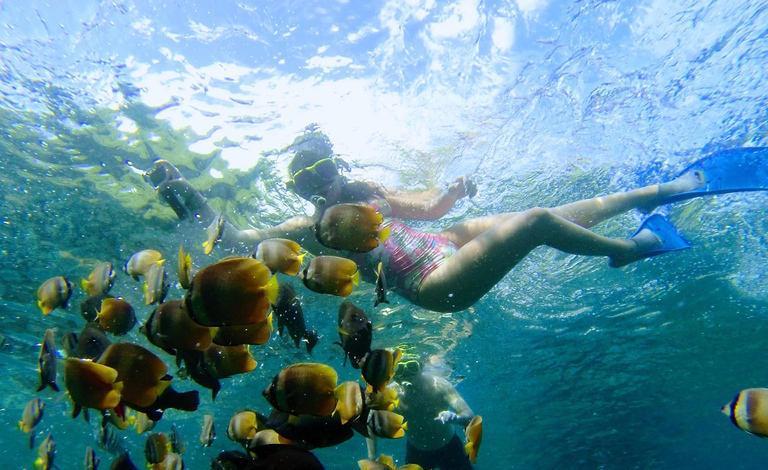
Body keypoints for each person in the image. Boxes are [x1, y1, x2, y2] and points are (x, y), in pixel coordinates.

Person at [145, 131, 768, 313]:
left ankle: (664, 189)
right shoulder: (313, 229)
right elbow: (240, 240)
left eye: (324, 172)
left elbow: (436, 212)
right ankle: (628, 250)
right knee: (538, 223)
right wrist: (185, 197)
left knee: (540, 213)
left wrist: (454, 191)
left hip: (446, 241)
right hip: (432, 284)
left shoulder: (376, 193)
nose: (321, 187)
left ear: (340, 166)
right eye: (307, 183)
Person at [382, 359, 476, 470]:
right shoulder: (390, 394)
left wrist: (455, 418)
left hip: (449, 446)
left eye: (412, 366)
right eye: (399, 368)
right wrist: (371, 455)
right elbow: (371, 422)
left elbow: (469, 416)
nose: (406, 374)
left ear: (421, 366)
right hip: (417, 451)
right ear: (392, 373)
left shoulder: (439, 385)